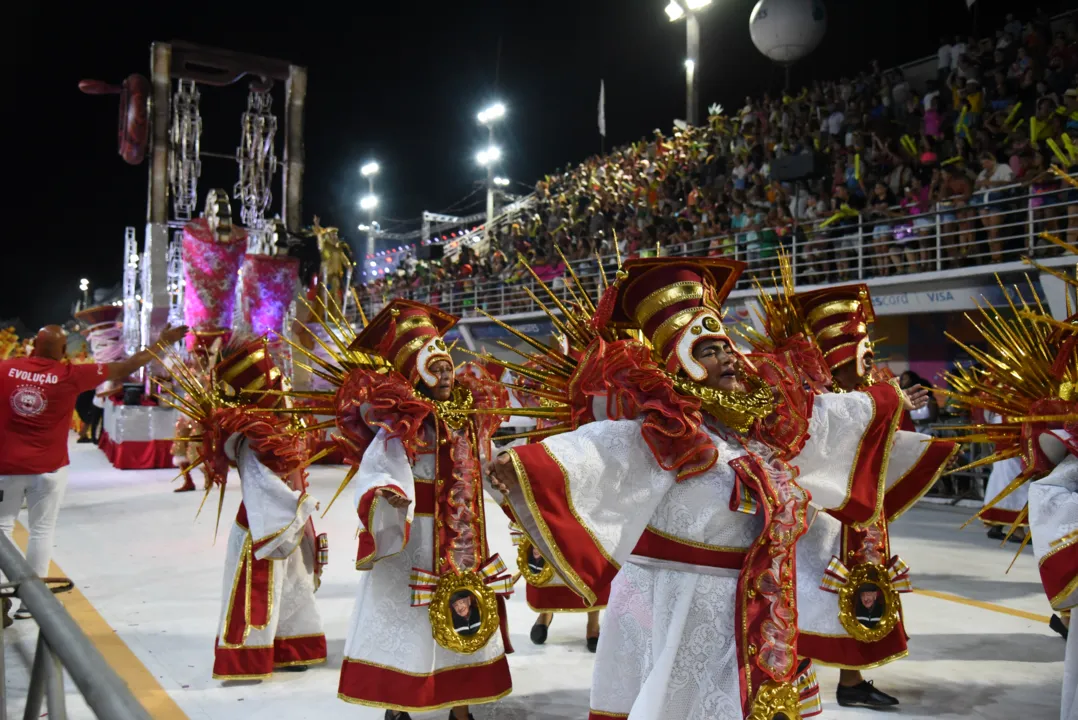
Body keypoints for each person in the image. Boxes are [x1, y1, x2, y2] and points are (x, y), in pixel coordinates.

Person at [487, 258, 945, 720]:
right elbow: (600, 448)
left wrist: (888, 400)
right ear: (680, 364)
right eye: (708, 350)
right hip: (683, 610)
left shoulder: (754, 429)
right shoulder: (666, 431)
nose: (728, 357)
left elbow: (826, 422)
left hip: (756, 608)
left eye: (726, 347)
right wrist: (519, 466)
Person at [335, 299, 512, 720]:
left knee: (462, 611)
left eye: (449, 363)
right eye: (436, 366)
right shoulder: (403, 423)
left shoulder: (468, 417)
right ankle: (398, 701)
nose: (447, 372)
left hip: (464, 535)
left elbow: (485, 461)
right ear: (417, 374)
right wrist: (387, 495)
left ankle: (461, 702)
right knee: (406, 616)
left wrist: (508, 476)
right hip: (415, 536)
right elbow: (380, 467)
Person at [161, 337, 328, 680]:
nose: (283, 382)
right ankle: (250, 658)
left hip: (290, 519)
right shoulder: (249, 437)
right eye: (275, 379)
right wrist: (295, 508)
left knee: (294, 587)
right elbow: (260, 485)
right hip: (265, 523)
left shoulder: (279, 425)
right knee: (259, 593)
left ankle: (293, 647)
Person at [0, 323, 187, 619]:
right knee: (41, 530)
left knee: (2, 528)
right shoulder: (71, 374)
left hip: (5, 468)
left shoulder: (5, 369)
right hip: (49, 470)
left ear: (33, 343)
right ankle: (30, 604)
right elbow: (128, 365)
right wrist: (162, 343)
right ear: (63, 351)